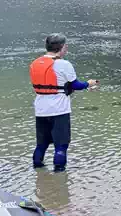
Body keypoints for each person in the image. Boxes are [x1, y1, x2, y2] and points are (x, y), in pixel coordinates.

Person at [29, 34, 98, 172]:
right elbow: (76, 85)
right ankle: (60, 174)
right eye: (66, 45)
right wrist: (88, 84)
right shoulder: (64, 64)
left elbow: (55, 85)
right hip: (60, 110)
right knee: (61, 145)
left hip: (40, 109)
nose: (67, 47)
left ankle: (37, 170)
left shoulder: (35, 63)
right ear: (61, 47)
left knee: (41, 144)